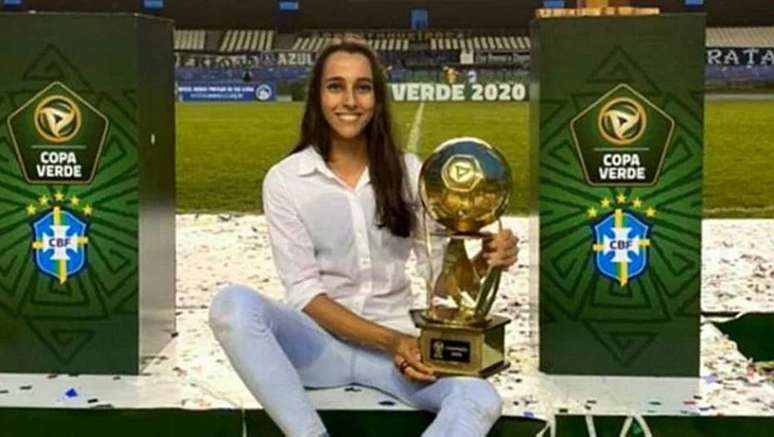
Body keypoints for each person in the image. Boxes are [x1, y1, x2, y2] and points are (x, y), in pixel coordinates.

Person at [208, 38, 519, 437]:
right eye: (335, 86)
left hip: (399, 355)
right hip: (319, 348)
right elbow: (305, 293)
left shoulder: (410, 174)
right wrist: (390, 340)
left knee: (479, 398)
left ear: (377, 97)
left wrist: (483, 260)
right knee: (232, 304)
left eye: (363, 87)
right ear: (317, 96)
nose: (350, 100)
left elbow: (440, 283)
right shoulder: (286, 179)